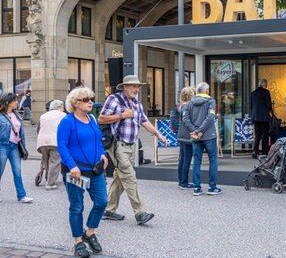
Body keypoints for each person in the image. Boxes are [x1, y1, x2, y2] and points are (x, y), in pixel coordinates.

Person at [99, 75, 167, 225]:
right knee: (129, 177)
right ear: (124, 87)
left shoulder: (137, 103)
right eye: (133, 86)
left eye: (138, 86)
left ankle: (109, 210)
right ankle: (140, 212)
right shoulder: (114, 99)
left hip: (131, 145)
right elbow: (101, 118)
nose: (136, 89)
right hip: (118, 145)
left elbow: (144, 121)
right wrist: (122, 115)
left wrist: (158, 134)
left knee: (120, 178)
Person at [57, 87, 108, 258]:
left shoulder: (92, 118)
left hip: (95, 169)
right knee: (77, 206)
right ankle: (78, 241)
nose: (90, 102)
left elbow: (97, 139)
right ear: (75, 103)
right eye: (86, 99)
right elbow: (62, 146)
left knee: (101, 202)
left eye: (91, 98)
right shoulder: (67, 121)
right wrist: (72, 166)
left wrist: (103, 154)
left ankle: (90, 232)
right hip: (76, 172)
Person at [183, 82, 222, 196]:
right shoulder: (211, 101)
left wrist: (195, 131)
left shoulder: (190, 103)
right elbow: (210, 117)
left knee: (196, 161)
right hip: (209, 135)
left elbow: (185, 118)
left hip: (196, 137)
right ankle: (212, 187)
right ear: (207, 91)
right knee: (213, 160)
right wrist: (200, 131)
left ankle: (197, 188)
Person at [0, 92, 33, 203]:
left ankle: (22, 195)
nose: (16, 102)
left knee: (17, 171)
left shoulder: (16, 115)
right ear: (8, 102)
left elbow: (20, 132)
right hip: (2, 146)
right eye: (14, 100)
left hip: (15, 146)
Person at [36, 99, 66, 190]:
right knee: (55, 162)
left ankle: (48, 178)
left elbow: (38, 129)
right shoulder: (63, 115)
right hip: (55, 141)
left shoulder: (43, 115)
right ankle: (50, 183)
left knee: (46, 161)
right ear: (59, 107)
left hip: (42, 141)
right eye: (63, 107)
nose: (63, 109)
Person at [176, 86, 196, 190]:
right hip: (188, 136)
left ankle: (181, 180)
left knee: (182, 159)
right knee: (187, 159)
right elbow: (188, 121)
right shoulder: (188, 107)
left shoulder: (180, 106)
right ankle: (184, 182)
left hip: (181, 135)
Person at [250, 78, 272, 157]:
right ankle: (264, 152)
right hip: (264, 117)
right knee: (265, 135)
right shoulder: (266, 92)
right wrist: (270, 110)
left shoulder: (253, 93)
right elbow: (269, 105)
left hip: (255, 117)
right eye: (266, 84)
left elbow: (251, 106)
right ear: (264, 84)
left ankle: (255, 151)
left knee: (258, 135)